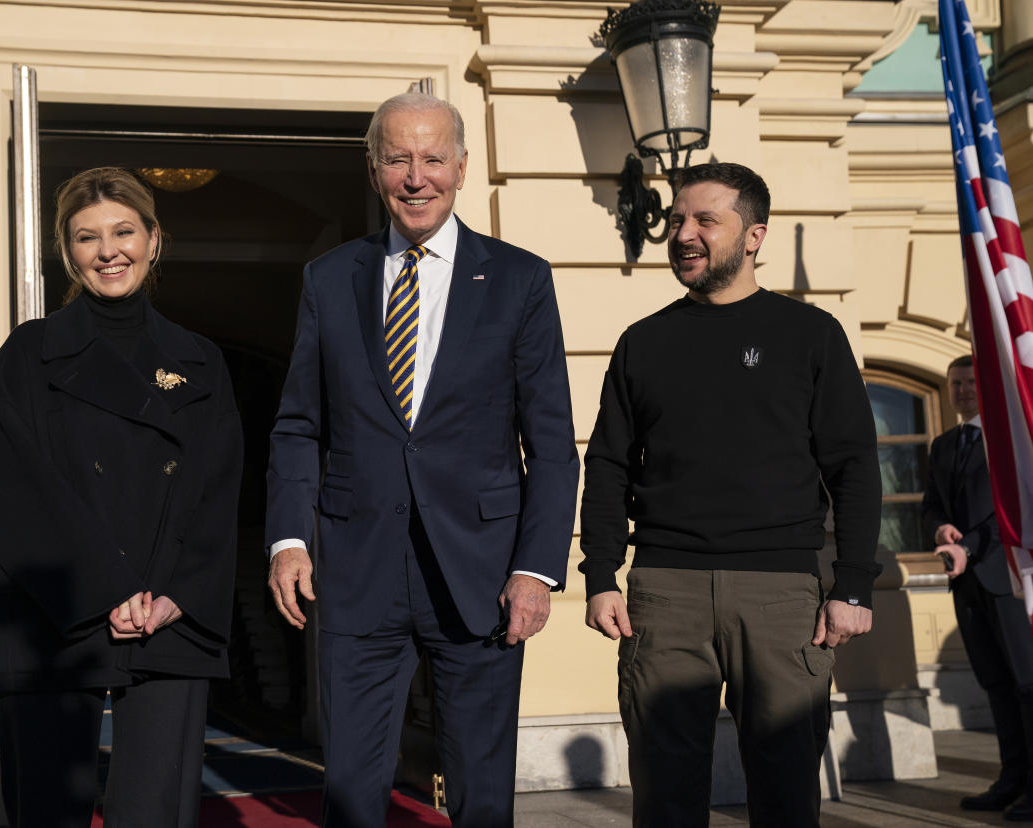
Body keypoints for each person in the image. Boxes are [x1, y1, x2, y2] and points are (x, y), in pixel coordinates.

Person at [264, 92, 578, 827]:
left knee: (480, 796)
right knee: (350, 791)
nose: (417, 177)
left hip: (484, 575)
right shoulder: (328, 278)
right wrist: (288, 540)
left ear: (462, 167)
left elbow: (553, 444)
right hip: (356, 571)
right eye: (398, 158)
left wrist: (536, 569)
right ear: (374, 170)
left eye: (433, 158)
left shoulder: (520, 280)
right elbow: (298, 426)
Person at [579, 161, 881, 827]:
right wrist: (601, 574)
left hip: (782, 597)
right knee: (664, 797)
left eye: (705, 220)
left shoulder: (810, 335)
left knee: (785, 795)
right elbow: (607, 466)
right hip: (664, 594)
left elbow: (854, 466)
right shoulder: (644, 342)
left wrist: (853, 585)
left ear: (754, 236)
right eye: (677, 220)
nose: (684, 233)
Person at [0, 166, 243, 827]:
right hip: (55, 607)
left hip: (170, 610)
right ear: (68, 252)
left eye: (124, 231)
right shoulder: (29, 354)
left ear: (154, 239)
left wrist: (179, 592)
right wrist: (107, 588)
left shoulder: (200, 359)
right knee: (46, 812)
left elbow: (219, 487)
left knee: (156, 811)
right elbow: (20, 489)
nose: (108, 250)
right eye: (88, 237)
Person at [925, 354, 1033, 820]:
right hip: (965, 582)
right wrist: (940, 530)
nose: (963, 390)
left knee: (1027, 684)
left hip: (1007, 577)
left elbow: (1014, 508)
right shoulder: (944, 444)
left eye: (970, 381)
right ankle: (1013, 779)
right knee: (995, 684)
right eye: (955, 383)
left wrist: (970, 544)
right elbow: (930, 504)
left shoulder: (1012, 438)